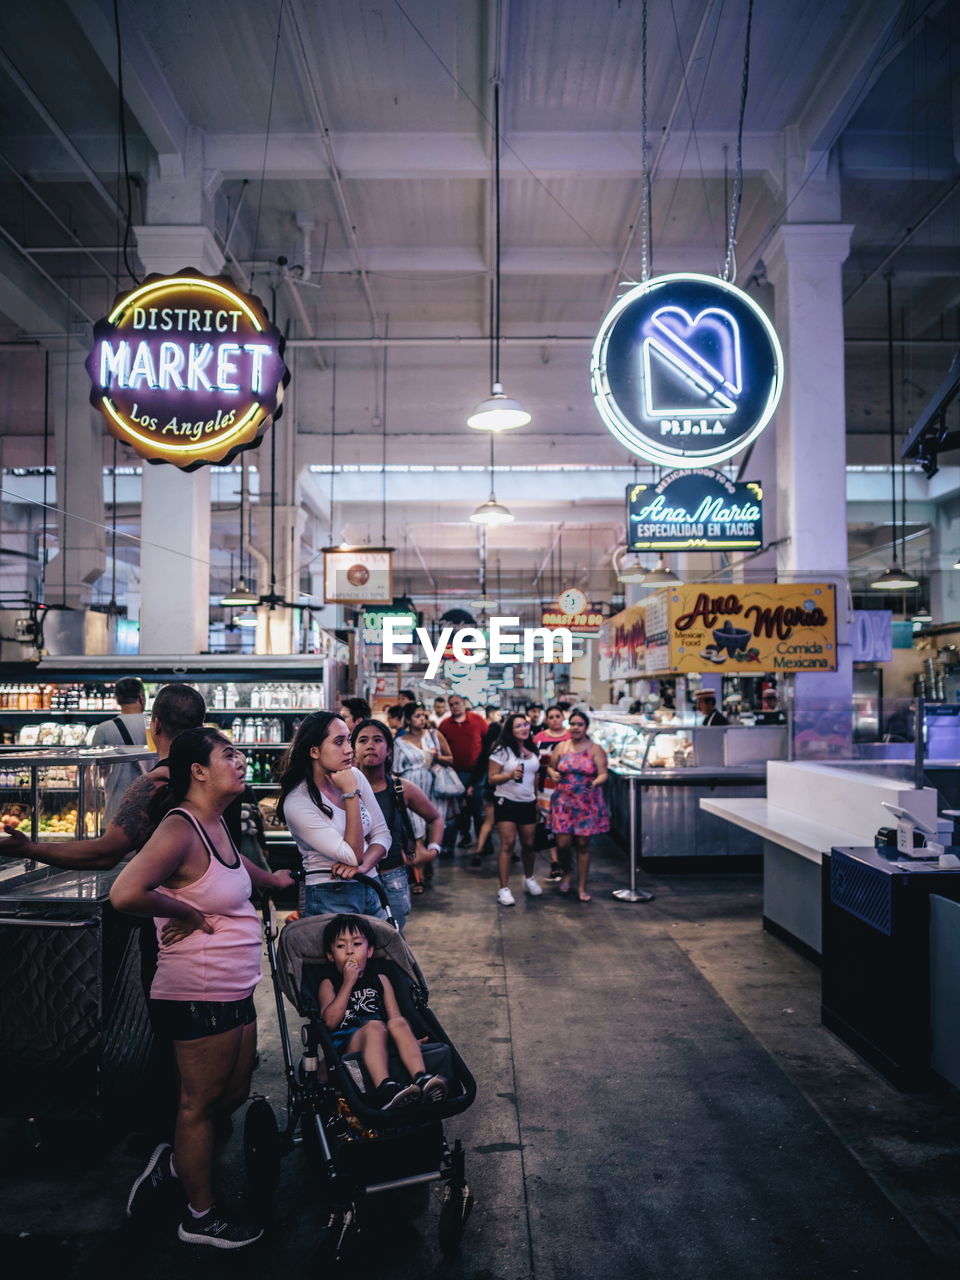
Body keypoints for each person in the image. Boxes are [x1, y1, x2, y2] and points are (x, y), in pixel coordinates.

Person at [110, 727, 293, 1249]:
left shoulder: (215, 823)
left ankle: (173, 1163)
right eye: (228, 755)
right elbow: (127, 893)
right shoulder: (179, 828)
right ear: (198, 770)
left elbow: (231, 872)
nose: (239, 761)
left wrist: (273, 881)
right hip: (197, 987)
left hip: (235, 984)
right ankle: (200, 1215)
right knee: (198, 1104)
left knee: (230, 1094)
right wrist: (182, 909)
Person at [1, 683, 217, 869]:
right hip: (217, 902)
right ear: (202, 727)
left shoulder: (154, 785)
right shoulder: (215, 778)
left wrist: (29, 848)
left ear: (156, 725)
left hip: (175, 909)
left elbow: (104, 854)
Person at [318, 914, 446, 1109]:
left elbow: (395, 1018)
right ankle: (385, 1088)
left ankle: (421, 1078)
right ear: (330, 955)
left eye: (357, 944)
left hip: (381, 1037)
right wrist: (347, 983)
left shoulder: (380, 979)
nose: (350, 951)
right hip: (348, 1045)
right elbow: (329, 1022)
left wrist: (408, 1042)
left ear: (369, 951)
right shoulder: (329, 983)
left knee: (398, 1023)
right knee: (374, 1026)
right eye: (340, 946)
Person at [278, 712, 389, 919]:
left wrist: (364, 867)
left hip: (371, 885)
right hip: (330, 893)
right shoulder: (298, 802)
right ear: (314, 751)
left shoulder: (354, 775)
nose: (349, 749)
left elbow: (383, 834)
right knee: (344, 952)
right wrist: (350, 794)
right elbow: (353, 855)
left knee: (384, 949)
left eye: (348, 739)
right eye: (339, 742)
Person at [351, 719, 442, 931]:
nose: (370, 745)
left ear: (389, 749)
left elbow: (436, 818)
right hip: (355, 878)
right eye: (363, 740)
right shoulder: (343, 789)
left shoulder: (401, 788)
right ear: (353, 749)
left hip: (393, 877)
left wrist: (432, 851)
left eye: (377, 740)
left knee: (392, 941)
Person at [547, 710, 609, 903]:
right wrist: (552, 773)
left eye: (579, 724)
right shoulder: (561, 747)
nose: (575, 728)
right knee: (563, 844)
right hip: (563, 801)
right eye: (572, 724)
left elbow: (603, 773)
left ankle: (582, 886)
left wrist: (596, 782)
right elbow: (550, 766)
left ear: (586, 727)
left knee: (583, 844)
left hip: (586, 802)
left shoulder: (595, 749)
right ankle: (567, 871)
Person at [488, 711, 542, 906]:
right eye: (519, 726)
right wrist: (509, 775)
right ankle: (503, 888)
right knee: (508, 844)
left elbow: (535, 776)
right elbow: (491, 778)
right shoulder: (501, 750)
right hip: (506, 801)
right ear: (510, 730)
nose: (524, 728)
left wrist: (536, 799)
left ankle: (529, 878)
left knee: (529, 845)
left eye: (526, 725)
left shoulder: (533, 749)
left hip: (528, 802)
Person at [393, 703, 455, 856]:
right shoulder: (399, 742)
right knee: (416, 831)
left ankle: (429, 866)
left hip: (434, 790)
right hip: (411, 792)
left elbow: (450, 759)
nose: (422, 719)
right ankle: (420, 873)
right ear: (407, 720)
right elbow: (395, 770)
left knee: (433, 827)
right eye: (417, 716)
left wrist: (437, 757)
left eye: (423, 716)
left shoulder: (434, 735)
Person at [90, 676, 152, 824]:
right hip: (151, 804)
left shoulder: (104, 729)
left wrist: (89, 799)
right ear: (141, 696)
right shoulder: (155, 725)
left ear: (117, 699)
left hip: (117, 805)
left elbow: (96, 770)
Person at [437, 693, 487, 854]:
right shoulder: (445, 725)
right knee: (453, 812)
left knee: (478, 811)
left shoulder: (478, 721)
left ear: (464, 703)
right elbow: (440, 748)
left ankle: (483, 845)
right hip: (454, 773)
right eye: (451, 704)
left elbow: (488, 743)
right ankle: (448, 846)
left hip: (477, 773)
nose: (454, 706)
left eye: (457, 703)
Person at [534, 706, 569, 881]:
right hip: (545, 787)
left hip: (568, 789)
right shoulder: (539, 738)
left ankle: (567, 860)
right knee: (550, 825)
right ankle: (555, 862)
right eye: (551, 717)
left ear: (563, 717)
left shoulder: (571, 737)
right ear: (546, 720)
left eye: (557, 716)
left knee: (566, 825)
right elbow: (532, 762)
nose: (555, 719)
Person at [467, 714, 503, 868]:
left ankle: (478, 851)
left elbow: (478, 768)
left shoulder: (486, 748)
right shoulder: (503, 749)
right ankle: (510, 852)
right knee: (503, 823)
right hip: (502, 789)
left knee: (487, 822)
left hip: (486, 790)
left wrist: (472, 785)